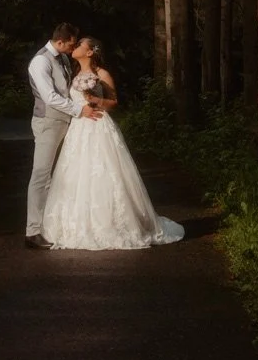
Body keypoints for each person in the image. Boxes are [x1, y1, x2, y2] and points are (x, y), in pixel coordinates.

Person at [42, 37, 185, 250]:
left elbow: (114, 102)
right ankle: (77, 223)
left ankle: (111, 223)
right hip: (79, 127)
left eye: (81, 45)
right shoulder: (73, 74)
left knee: (105, 172)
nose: (76, 47)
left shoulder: (102, 74)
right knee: (77, 174)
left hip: (99, 125)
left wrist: (95, 100)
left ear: (90, 52)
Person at [25, 22, 102, 249]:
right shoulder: (41, 61)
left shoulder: (63, 59)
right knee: (42, 174)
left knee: (64, 174)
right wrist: (79, 110)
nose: (73, 47)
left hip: (68, 123)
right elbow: (49, 96)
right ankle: (33, 231)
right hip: (48, 122)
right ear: (61, 41)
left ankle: (53, 224)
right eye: (71, 43)